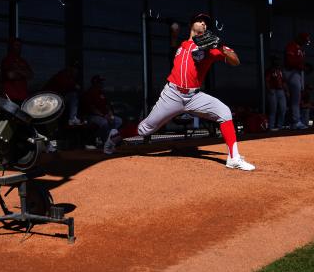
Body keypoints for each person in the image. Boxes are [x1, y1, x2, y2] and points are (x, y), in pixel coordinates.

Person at [137, 12, 255, 171]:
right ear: (192, 24)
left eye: (206, 23)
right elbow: (174, 47)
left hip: (194, 96)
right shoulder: (181, 46)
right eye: (200, 21)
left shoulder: (211, 47)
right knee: (144, 130)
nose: (203, 24)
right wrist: (173, 32)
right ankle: (116, 135)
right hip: (172, 94)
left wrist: (221, 48)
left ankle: (233, 158)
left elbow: (236, 61)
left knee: (224, 112)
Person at [81, 75, 123, 155]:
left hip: (104, 115)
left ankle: (110, 140)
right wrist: (105, 116)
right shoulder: (89, 93)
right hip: (92, 116)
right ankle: (105, 141)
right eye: (100, 82)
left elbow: (108, 106)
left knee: (118, 120)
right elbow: (92, 109)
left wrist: (111, 115)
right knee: (104, 123)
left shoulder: (101, 93)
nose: (102, 83)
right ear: (95, 83)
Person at [284, 32, 310, 129]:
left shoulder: (301, 49)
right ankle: (295, 122)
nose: (305, 43)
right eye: (304, 40)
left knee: (296, 99)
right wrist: (301, 66)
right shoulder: (292, 46)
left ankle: (295, 121)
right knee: (295, 100)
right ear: (300, 38)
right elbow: (290, 62)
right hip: (291, 72)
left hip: (297, 73)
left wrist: (304, 67)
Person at [0, 37, 33, 103]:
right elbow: (10, 75)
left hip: (22, 98)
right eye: (16, 45)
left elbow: (30, 75)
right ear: (11, 46)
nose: (18, 47)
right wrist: (23, 72)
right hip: (10, 98)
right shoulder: (7, 60)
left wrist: (17, 70)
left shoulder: (23, 61)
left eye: (20, 46)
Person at [265, 56, 287, 132]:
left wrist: (286, 91)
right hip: (273, 90)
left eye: (278, 61)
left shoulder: (280, 71)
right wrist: (269, 90)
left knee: (283, 109)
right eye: (276, 61)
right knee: (273, 109)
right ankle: (271, 126)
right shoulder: (270, 70)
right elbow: (267, 81)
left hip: (281, 91)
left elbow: (283, 82)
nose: (278, 62)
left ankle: (279, 126)